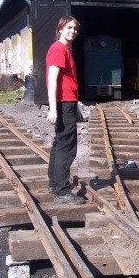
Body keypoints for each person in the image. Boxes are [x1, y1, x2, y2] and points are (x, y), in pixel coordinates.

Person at [46, 16, 86, 205]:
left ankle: (55, 183)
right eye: (69, 27)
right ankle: (62, 191)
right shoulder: (58, 49)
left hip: (67, 103)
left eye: (75, 29)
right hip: (63, 104)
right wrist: (53, 108)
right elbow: (52, 80)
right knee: (67, 146)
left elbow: (65, 81)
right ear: (60, 29)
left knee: (59, 143)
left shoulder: (62, 50)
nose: (72, 31)